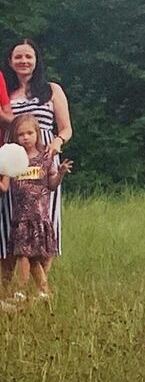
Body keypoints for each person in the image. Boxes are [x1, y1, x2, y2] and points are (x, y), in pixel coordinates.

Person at [0, 40, 73, 274]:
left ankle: (41, 285)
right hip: (14, 158)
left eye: (28, 56)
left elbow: (66, 128)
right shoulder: (6, 93)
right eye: (18, 57)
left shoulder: (52, 89)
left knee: (45, 216)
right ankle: (10, 280)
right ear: (10, 62)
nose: (23, 61)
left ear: (36, 60)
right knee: (12, 215)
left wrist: (57, 142)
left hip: (44, 158)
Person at [0, 113, 72, 309]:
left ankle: (44, 291)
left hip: (40, 218)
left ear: (37, 134)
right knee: (23, 255)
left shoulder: (44, 159)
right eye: (21, 134)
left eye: (29, 133)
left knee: (36, 259)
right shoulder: (11, 161)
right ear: (15, 137)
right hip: (21, 219)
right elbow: (4, 188)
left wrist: (61, 173)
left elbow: (51, 185)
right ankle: (21, 292)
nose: (25, 137)